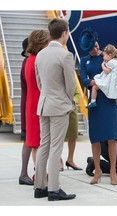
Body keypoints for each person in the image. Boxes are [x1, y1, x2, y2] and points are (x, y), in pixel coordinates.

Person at [34, 18, 76, 201]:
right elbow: (70, 86)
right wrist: (68, 101)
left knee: (44, 146)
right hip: (59, 106)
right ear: (64, 33)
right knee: (56, 148)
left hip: (43, 105)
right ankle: (54, 189)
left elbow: (39, 83)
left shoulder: (40, 55)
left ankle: (39, 187)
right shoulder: (65, 55)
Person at [79, 28, 117, 185]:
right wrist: (96, 83)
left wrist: (102, 84)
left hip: (108, 100)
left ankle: (113, 171)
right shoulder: (84, 60)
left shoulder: (109, 57)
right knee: (95, 138)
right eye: (92, 49)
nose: (96, 50)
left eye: (96, 46)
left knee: (111, 137)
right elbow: (83, 80)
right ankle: (97, 170)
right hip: (94, 101)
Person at [25, 30, 50, 182]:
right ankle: (41, 175)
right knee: (41, 143)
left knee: (36, 142)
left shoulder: (30, 59)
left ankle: (39, 173)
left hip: (31, 101)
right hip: (39, 102)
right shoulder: (37, 60)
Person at [86, 44, 117, 108]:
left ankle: (93, 101)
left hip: (109, 80)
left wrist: (103, 65)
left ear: (110, 55)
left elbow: (107, 71)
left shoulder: (111, 63)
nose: (103, 58)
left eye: (104, 56)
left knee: (94, 87)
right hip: (116, 80)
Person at [19, 37, 33, 186]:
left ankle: (24, 172)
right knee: (29, 140)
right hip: (29, 106)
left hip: (27, 104)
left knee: (28, 140)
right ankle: (23, 173)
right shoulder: (28, 63)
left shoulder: (26, 62)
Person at [60, 85, 82, 171]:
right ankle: (59, 160)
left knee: (73, 135)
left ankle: (70, 160)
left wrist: (72, 102)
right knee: (59, 137)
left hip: (72, 110)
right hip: (60, 109)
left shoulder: (72, 76)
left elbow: (77, 94)